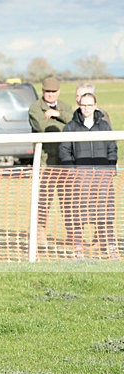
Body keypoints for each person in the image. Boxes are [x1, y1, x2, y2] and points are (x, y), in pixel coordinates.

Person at [58, 93, 118, 260]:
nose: (86, 108)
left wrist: (110, 169)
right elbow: (64, 151)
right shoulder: (70, 127)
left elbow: (112, 148)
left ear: (95, 106)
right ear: (79, 105)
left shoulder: (104, 126)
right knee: (78, 212)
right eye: (83, 105)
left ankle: (109, 245)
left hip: (102, 177)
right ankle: (78, 247)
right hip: (80, 178)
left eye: (90, 105)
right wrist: (72, 173)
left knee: (105, 212)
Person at [28, 77, 73, 247]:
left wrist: (57, 115)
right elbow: (44, 128)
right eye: (47, 91)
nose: (50, 95)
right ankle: (40, 234)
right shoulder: (35, 108)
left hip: (65, 160)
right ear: (42, 91)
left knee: (68, 200)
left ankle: (72, 234)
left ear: (59, 92)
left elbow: (74, 125)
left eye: (53, 92)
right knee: (43, 200)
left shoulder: (65, 107)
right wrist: (64, 123)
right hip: (45, 162)